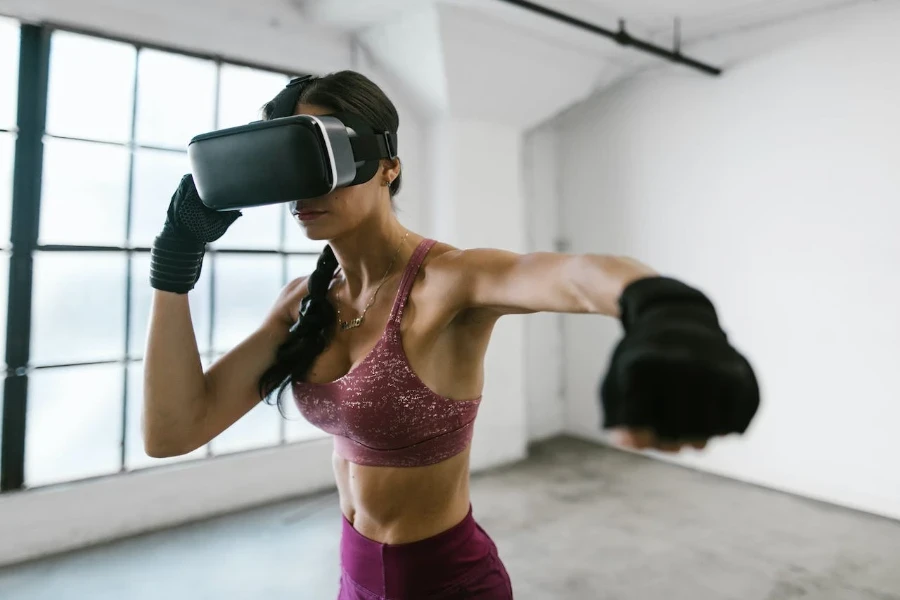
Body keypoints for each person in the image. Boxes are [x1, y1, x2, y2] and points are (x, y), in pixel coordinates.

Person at [142, 71, 758, 599]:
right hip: (354, 578)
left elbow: (566, 276)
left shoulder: (448, 281)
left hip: (448, 583)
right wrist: (174, 264)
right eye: (288, 167)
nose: (303, 189)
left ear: (387, 164)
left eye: (318, 159)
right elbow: (173, 431)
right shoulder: (306, 304)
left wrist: (664, 309)